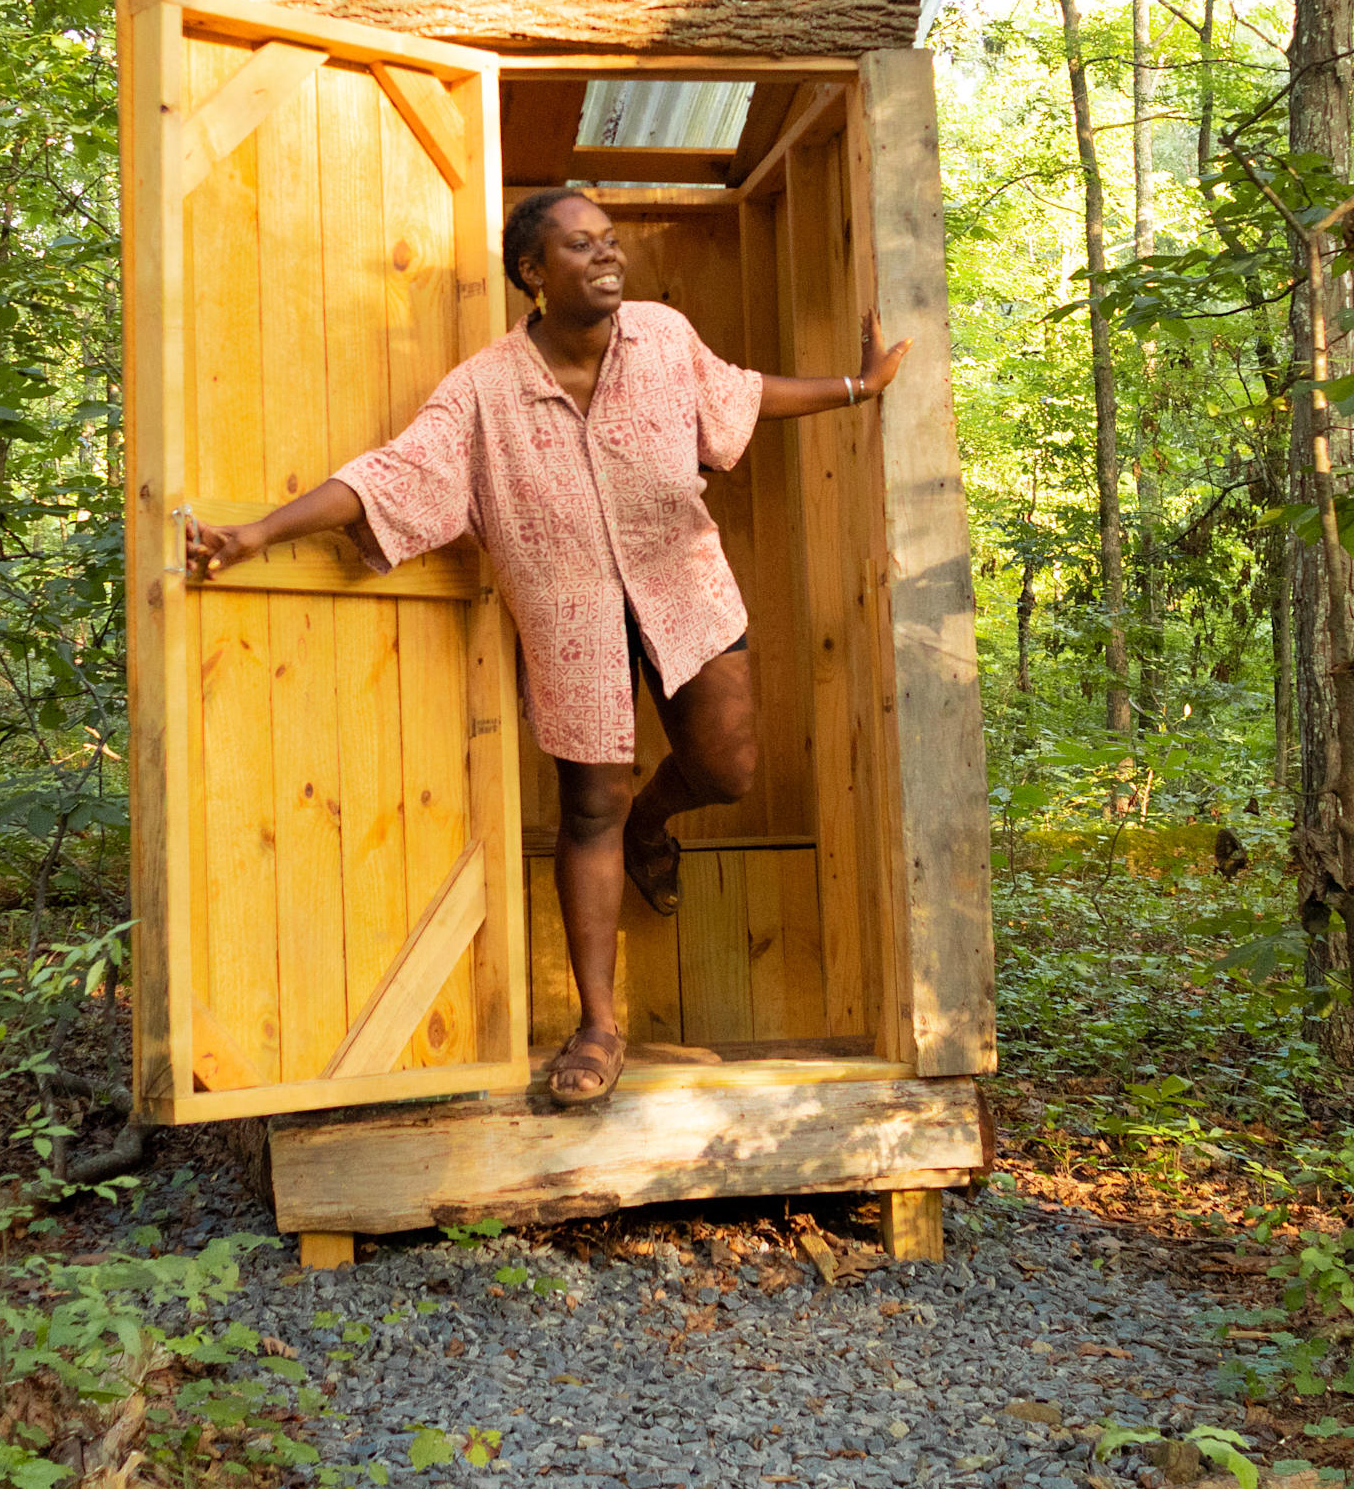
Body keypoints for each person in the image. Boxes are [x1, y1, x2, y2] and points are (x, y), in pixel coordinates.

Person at [183, 185, 908, 1109]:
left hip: (688, 593)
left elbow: (741, 394)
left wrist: (858, 389)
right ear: (533, 272)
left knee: (727, 771)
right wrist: (258, 534)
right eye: (581, 247)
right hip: (570, 625)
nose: (608, 258)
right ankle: (600, 1026)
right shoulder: (483, 390)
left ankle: (658, 821)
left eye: (611, 242)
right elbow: (389, 477)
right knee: (589, 810)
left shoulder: (662, 337)